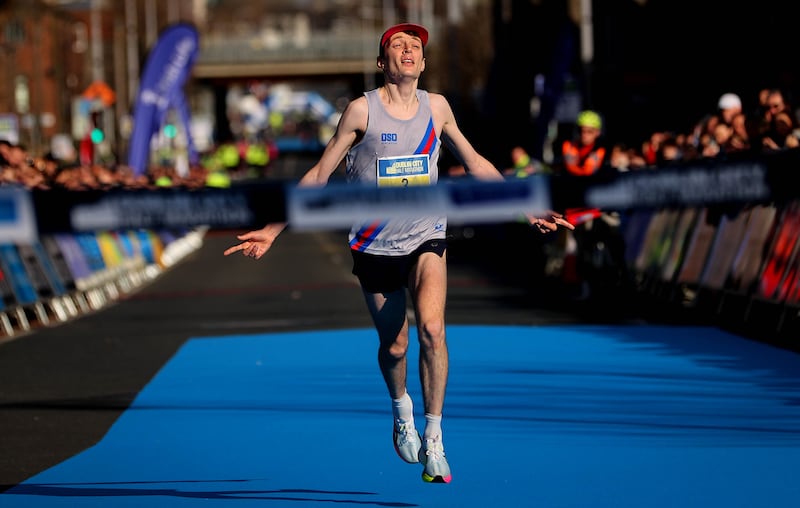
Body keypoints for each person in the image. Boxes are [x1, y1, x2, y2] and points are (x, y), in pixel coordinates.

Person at [223, 22, 573, 484]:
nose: (407, 50)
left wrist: (525, 205)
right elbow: (319, 175)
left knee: (431, 329)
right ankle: (401, 408)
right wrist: (272, 229)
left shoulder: (438, 108)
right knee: (396, 344)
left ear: (423, 64)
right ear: (381, 61)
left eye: (415, 47)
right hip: (374, 245)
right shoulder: (360, 111)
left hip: (427, 234)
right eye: (397, 45)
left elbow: (475, 162)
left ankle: (434, 437)